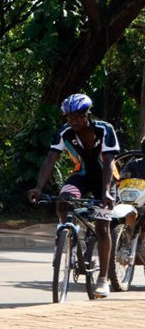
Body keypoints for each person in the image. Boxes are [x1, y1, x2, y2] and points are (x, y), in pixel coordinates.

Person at [27, 93, 119, 299]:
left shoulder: (105, 130)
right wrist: (38, 187)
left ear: (88, 113)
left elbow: (109, 161)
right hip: (82, 175)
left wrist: (105, 192)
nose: (73, 120)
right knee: (64, 199)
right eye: (68, 117)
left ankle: (103, 279)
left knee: (103, 228)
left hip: (105, 179)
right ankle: (66, 236)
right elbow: (51, 158)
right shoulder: (64, 132)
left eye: (78, 116)